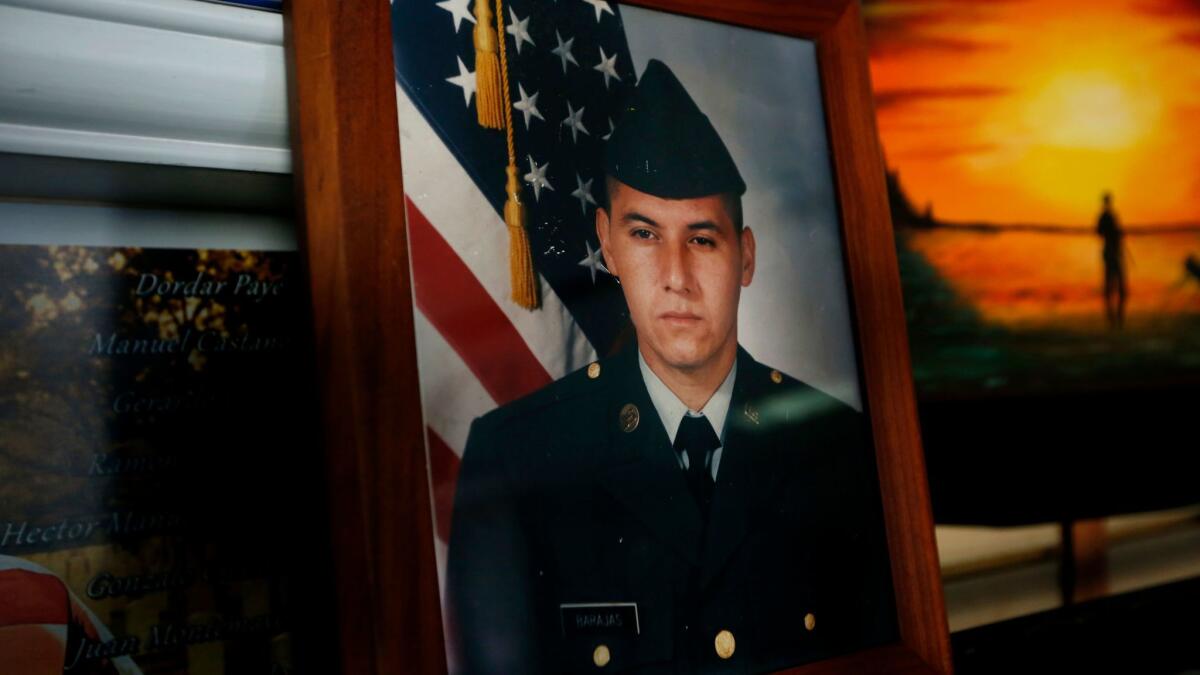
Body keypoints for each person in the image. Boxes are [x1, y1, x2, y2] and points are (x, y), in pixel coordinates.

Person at [447, 60, 896, 674]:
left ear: (746, 257)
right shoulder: (517, 457)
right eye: (645, 235)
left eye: (703, 239)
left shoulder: (840, 448)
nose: (677, 278)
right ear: (607, 244)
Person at [1096, 192, 1128, 329]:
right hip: (1110, 255)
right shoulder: (1104, 217)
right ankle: (1112, 318)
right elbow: (1099, 231)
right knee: (1111, 287)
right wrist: (1114, 233)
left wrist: (1118, 233)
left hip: (1116, 254)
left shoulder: (1111, 215)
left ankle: (1118, 317)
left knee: (1120, 288)